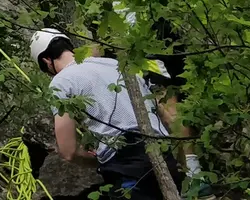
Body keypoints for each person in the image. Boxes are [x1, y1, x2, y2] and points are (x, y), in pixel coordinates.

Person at [32, 29, 183, 200]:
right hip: (164, 153)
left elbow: (68, 151)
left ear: (47, 61)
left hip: (126, 164)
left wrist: (95, 160)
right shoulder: (114, 64)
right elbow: (162, 114)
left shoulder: (60, 82)